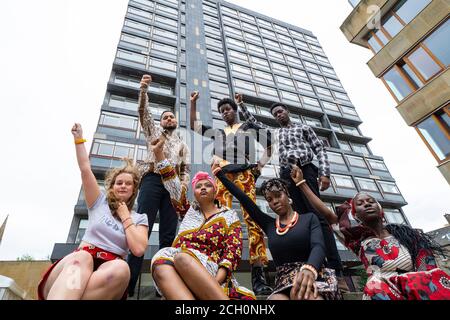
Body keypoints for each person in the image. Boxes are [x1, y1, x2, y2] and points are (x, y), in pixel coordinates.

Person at [291, 172, 450, 300]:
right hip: (380, 294)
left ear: (381, 210)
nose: (366, 204)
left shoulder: (409, 236)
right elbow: (327, 214)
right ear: (356, 216)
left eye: (370, 201)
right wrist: (302, 184)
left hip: (417, 291)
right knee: (375, 285)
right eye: (360, 204)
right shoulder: (357, 241)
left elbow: (429, 272)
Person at [37, 123, 149, 300]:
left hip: (105, 278)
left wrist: (124, 215)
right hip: (74, 269)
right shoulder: (99, 201)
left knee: (122, 268)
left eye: (128, 183)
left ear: (133, 190)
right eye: (119, 182)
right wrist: (78, 139)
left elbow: (138, 249)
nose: (123, 186)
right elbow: (85, 169)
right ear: (112, 186)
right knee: (83, 258)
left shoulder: (140, 218)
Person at [238, 100, 343, 276]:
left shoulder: (303, 128)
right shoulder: (276, 132)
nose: (279, 115)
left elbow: (320, 149)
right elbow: (255, 123)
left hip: (306, 169)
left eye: (280, 111)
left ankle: (335, 267)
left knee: (318, 216)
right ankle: (316, 265)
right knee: (300, 220)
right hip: (287, 175)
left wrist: (325, 173)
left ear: (287, 112)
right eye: (275, 114)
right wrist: (241, 105)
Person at [213, 162, 341, 300]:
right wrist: (220, 174)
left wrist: (310, 269)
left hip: (313, 275)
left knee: (304, 295)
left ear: (288, 196)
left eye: (278, 195)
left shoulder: (309, 218)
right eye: (269, 199)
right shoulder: (269, 225)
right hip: (284, 282)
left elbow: (319, 246)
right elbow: (243, 198)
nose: (274, 201)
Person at [149, 140, 255, 300]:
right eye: (198, 186)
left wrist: (212, 283)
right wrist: (159, 155)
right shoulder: (187, 210)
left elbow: (232, 252)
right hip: (177, 271)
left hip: (212, 272)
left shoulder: (229, 215)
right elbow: (174, 187)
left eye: (208, 185)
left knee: (182, 257)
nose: (203, 188)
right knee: (161, 262)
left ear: (215, 191)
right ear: (195, 193)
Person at [190, 91, 273, 295]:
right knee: (220, 221)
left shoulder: (248, 127)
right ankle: (220, 273)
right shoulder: (218, 133)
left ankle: (258, 275)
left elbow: (269, 145)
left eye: (227, 109)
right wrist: (193, 103)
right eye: (221, 111)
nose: (225, 113)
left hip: (245, 173)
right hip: (222, 175)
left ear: (234, 110)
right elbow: (194, 125)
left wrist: (259, 167)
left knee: (252, 219)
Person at [128, 74, 191, 296]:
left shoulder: (182, 143)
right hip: (153, 180)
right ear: (162, 122)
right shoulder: (154, 133)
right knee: (141, 230)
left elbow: (186, 169)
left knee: (168, 236)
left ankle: (162, 287)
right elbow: (143, 113)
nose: (169, 119)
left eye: (172, 117)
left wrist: (183, 188)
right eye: (165, 117)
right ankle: (128, 287)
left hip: (172, 186)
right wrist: (143, 90)